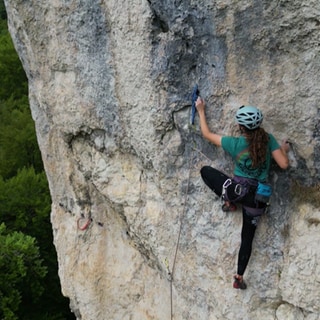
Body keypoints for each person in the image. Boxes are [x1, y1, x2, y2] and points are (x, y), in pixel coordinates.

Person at [195, 97, 289, 289]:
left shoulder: (235, 143)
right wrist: (282, 149)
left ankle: (229, 203)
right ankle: (239, 276)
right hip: (257, 199)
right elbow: (284, 164)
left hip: (236, 192)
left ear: (241, 127)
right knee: (247, 237)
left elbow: (206, 134)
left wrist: (201, 110)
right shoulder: (269, 140)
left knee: (206, 171)